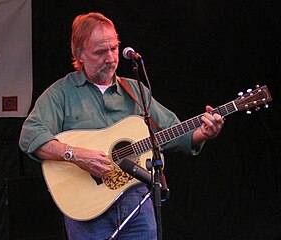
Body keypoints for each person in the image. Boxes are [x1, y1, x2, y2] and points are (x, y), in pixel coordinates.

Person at [19, 12, 224, 240]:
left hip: (136, 201)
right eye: (100, 52)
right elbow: (30, 135)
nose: (110, 58)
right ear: (80, 54)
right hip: (87, 208)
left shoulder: (135, 91)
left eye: (114, 48)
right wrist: (75, 155)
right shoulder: (61, 93)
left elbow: (171, 132)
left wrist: (202, 133)